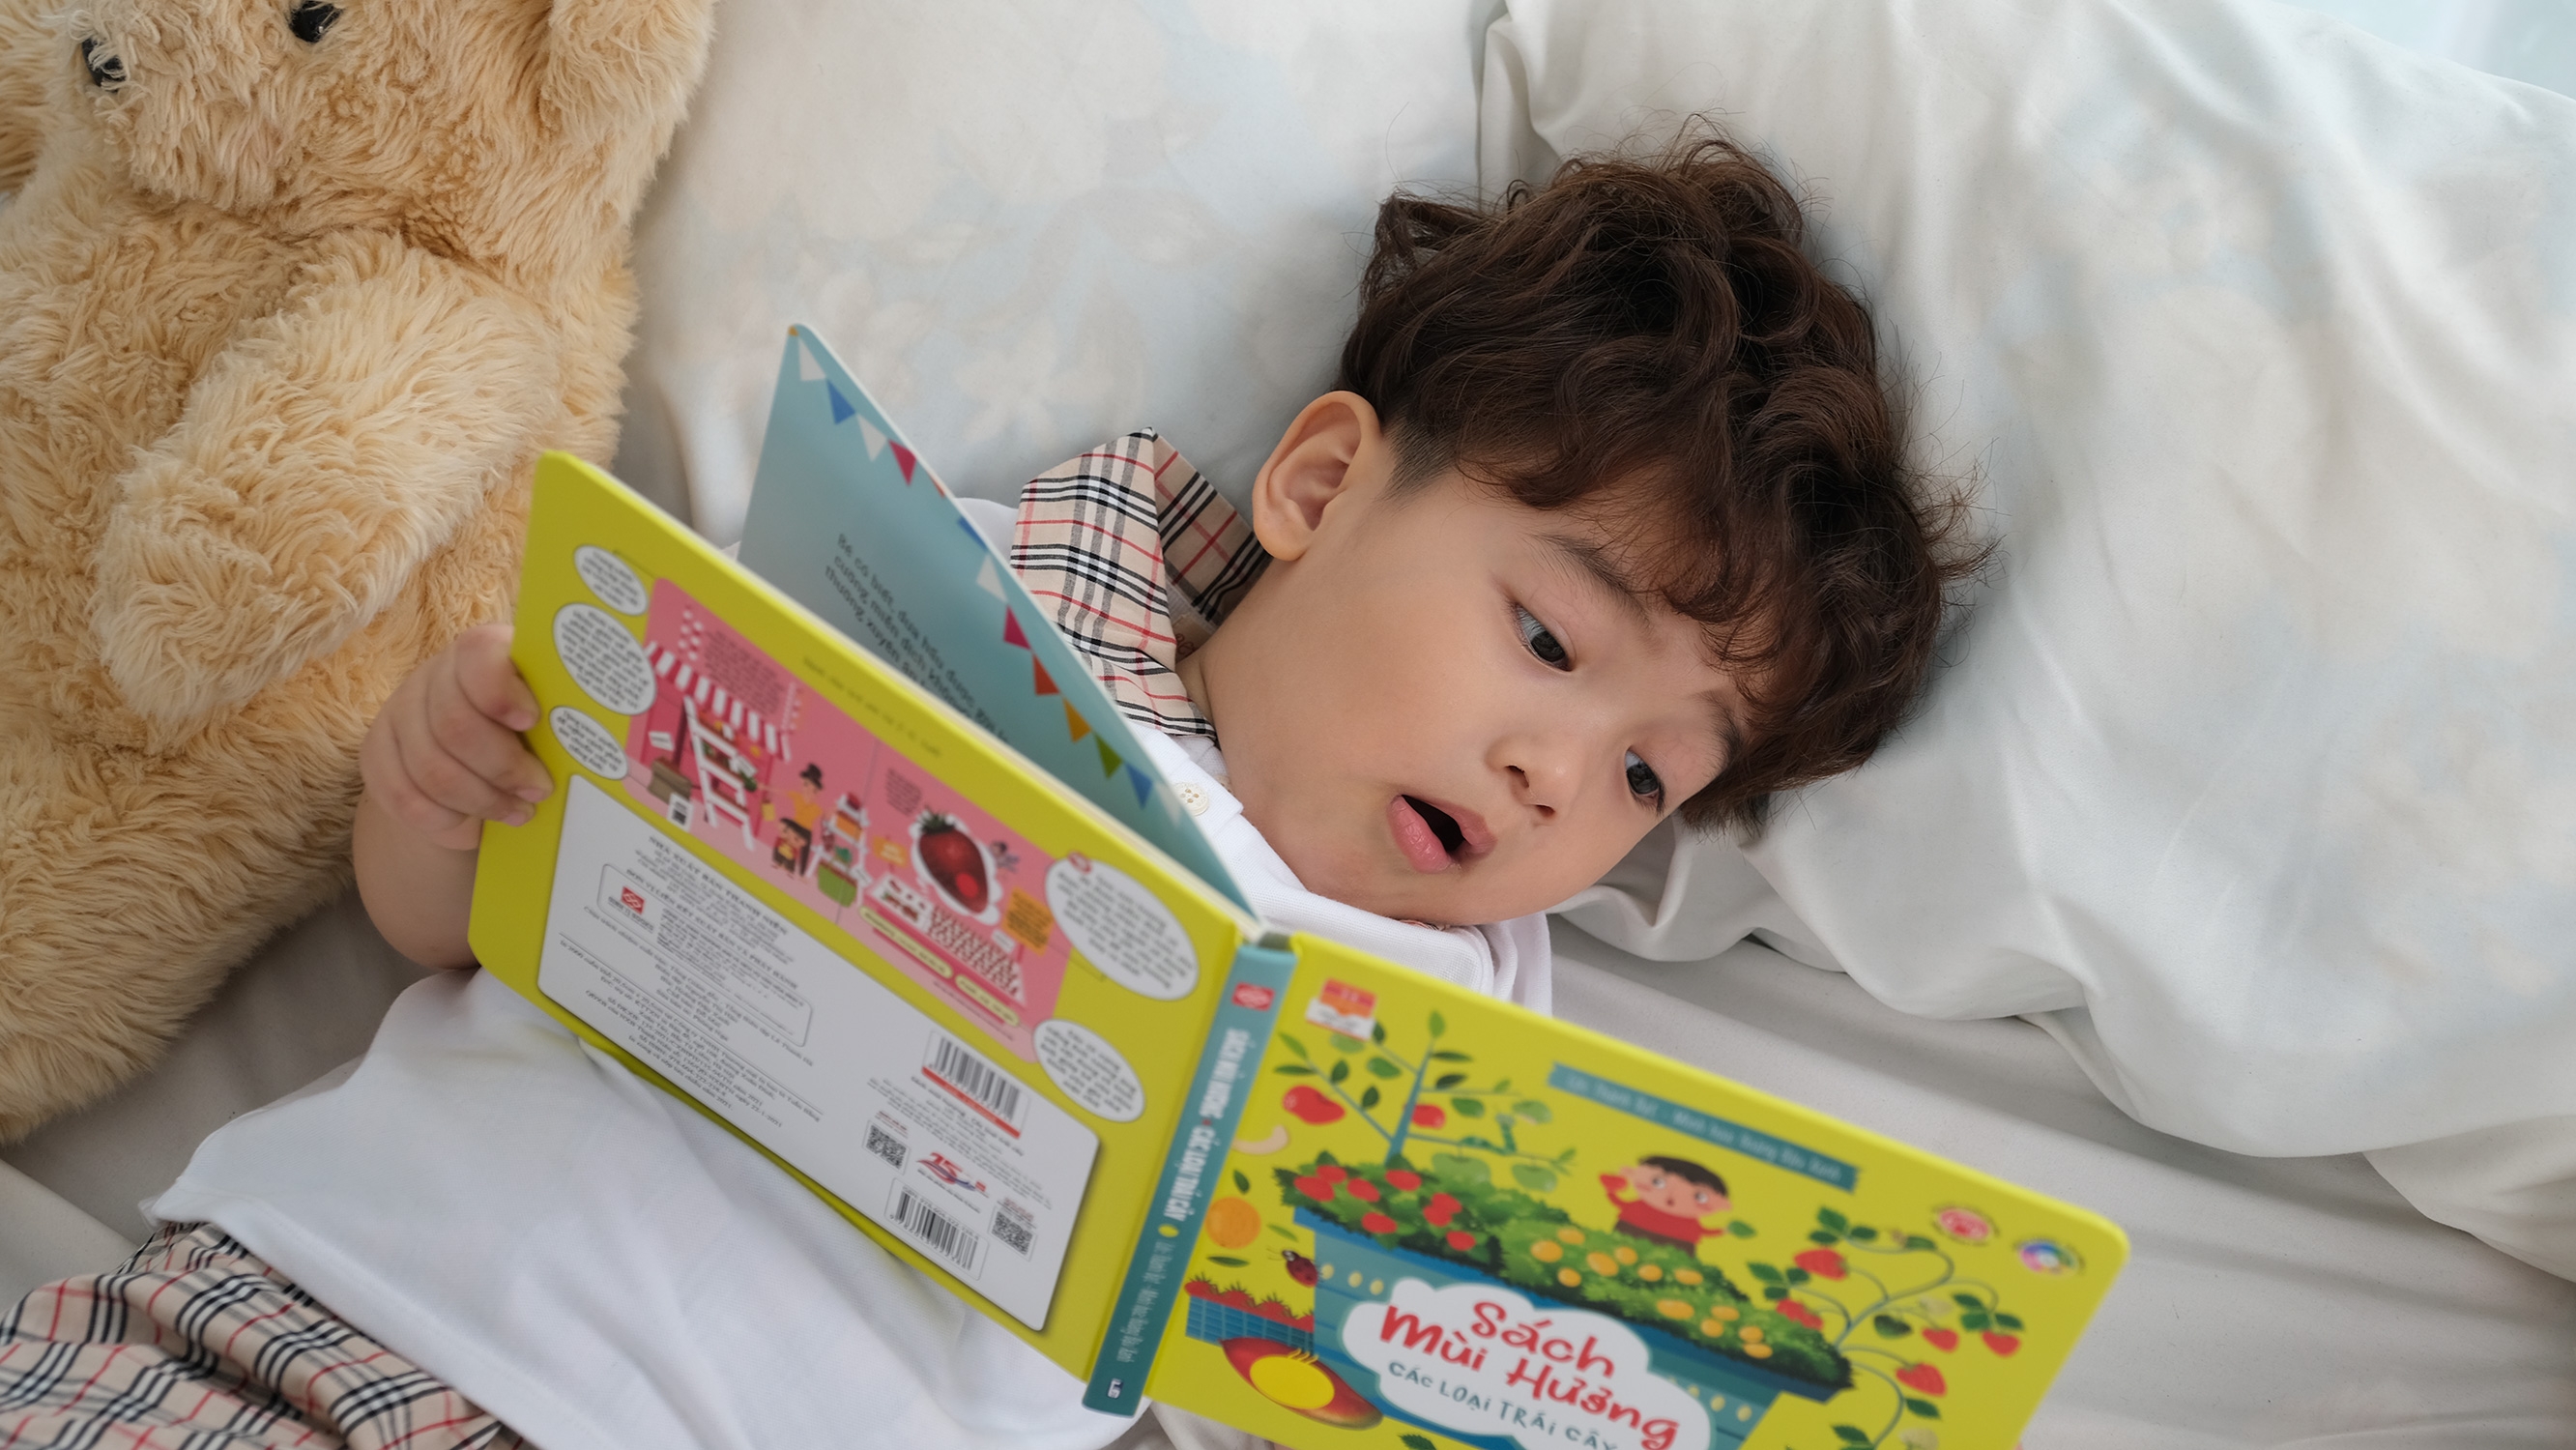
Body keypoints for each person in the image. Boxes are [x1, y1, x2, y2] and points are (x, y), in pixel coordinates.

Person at [0, 133, 1974, 1450]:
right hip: (339, 1311)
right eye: (1546, 639)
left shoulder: (1464, 1047)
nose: (1556, 776)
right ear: (1318, 486)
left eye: (1647, 772)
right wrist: (444, 793)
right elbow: (460, 928)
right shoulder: (941, 596)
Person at [1600, 1156, 1734, 1250]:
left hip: (1678, 1243)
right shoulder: (1638, 1207)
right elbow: (1619, 1202)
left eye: (1700, 1197)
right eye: (1657, 1182)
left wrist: (1724, 1230)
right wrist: (1611, 1190)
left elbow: (1704, 1231)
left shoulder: (1689, 1223)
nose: (1671, 1198)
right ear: (1631, 1173)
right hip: (1632, 1229)